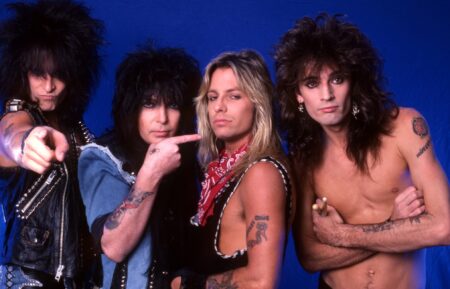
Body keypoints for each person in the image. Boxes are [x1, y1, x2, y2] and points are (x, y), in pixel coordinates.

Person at [274, 13, 450, 289]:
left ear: (354, 81)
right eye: (311, 83)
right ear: (298, 94)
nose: (326, 95)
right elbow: (310, 257)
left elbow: (444, 227)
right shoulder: (304, 157)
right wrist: (394, 224)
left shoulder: (405, 127)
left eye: (337, 79)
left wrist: (341, 235)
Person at [79, 44, 201, 289]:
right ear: (132, 107)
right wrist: (153, 172)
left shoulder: (186, 160)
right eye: (150, 104)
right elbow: (113, 246)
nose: (163, 118)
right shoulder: (101, 157)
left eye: (173, 105)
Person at [0, 0, 103, 288]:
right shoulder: (18, 114)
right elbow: (10, 135)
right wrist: (24, 144)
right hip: (28, 276)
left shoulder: (79, 131)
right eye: (38, 74)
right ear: (22, 74)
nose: (49, 86)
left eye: (58, 74)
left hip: (79, 277)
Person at [181, 50, 292, 289]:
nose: (219, 107)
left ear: (257, 102)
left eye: (234, 97)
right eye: (212, 97)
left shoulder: (261, 173)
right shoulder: (217, 171)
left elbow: (262, 281)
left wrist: (185, 285)